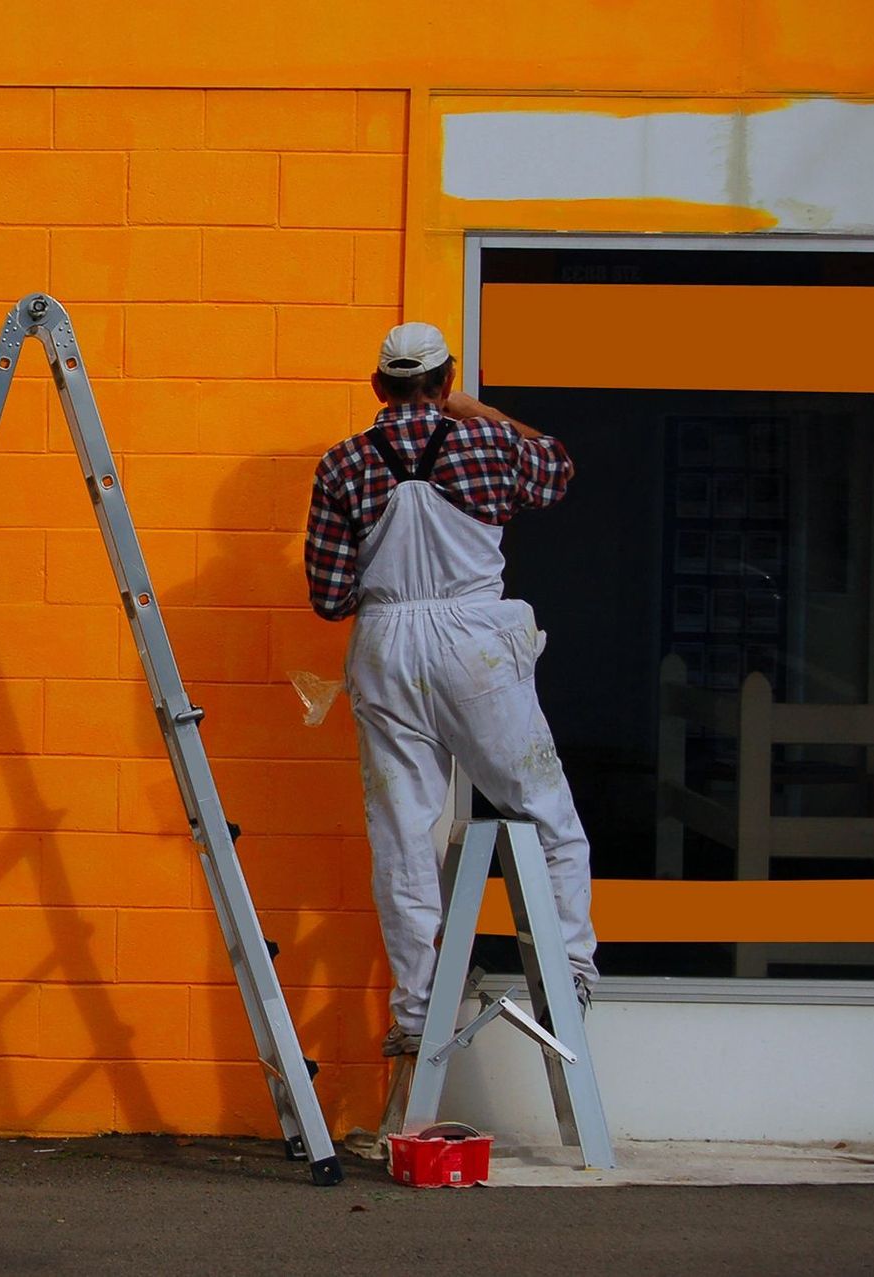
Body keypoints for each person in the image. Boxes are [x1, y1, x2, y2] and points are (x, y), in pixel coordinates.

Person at [303, 321, 596, 1057]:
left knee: (403, 831)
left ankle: (415, 1011)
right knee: (542, 806)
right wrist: (481, 412)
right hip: (476, 644)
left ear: (378, 387)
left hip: (386, 646)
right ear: (445, 378)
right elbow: (558, 469)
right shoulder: (489, 444)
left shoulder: (342, 465)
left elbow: (331, 597)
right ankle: (570, 974)